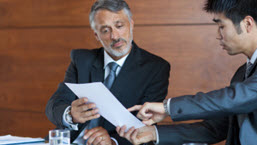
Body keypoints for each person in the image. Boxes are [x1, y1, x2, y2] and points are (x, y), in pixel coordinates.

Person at [116, 0, 257, 145]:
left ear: (247, 23)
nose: (218, 35)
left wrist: (167, 107)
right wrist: (154, 133)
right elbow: (216, 128)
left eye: (221, 26)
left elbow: (240, 98)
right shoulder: (241, 73)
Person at [45, 0, 170, 145]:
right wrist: (70, 115)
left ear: (131, 24)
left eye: (119, 26)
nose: (115, 36)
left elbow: (146, 127)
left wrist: (112, 141)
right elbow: (54, 105)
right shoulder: (81, 60)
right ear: (96, 35)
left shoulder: (156, 68)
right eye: (105, 30)